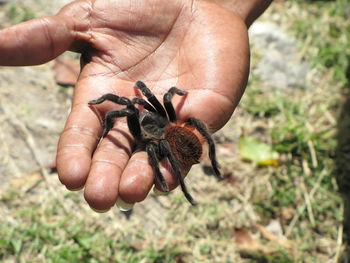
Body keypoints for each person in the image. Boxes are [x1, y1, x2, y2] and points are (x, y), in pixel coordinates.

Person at [0, 0, 272, 211]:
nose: (140, 106)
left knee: (145, 130)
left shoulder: (157, 137)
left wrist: (110, 122)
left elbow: (154, 98)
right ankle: (206, 162)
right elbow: (159, 97)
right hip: (170, 132)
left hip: (167, 136)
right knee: (143, 112)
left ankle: (197, 174)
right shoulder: (167, 117)